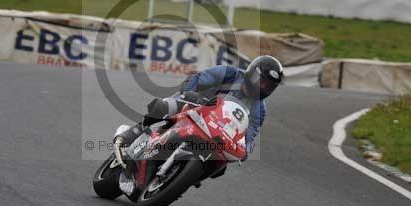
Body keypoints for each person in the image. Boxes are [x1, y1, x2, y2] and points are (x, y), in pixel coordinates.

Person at [114, 55, 284, 158]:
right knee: (161, 108)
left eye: (269, 86)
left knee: (222, 166)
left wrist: (244, 150)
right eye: (261, 82)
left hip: (216, 134)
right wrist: (191, 95)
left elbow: (249, 136)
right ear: (252, 72)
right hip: (195, 107)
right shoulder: (229, 74)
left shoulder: (260, 110)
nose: (263, 88)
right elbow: (199, 79)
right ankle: (136, 130)